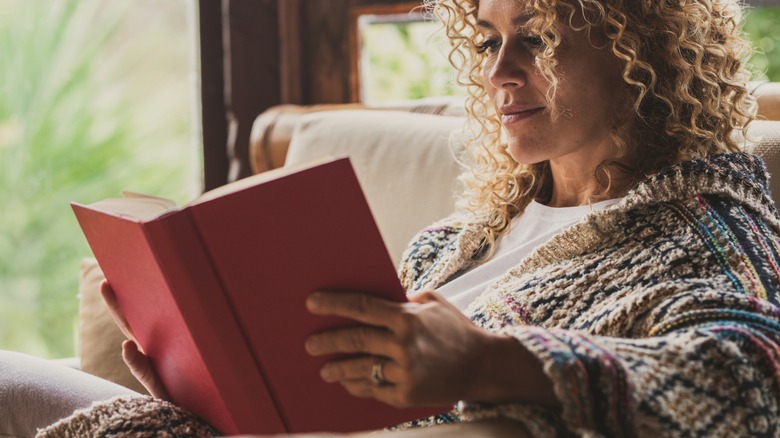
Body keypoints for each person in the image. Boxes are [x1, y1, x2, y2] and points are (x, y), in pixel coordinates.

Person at [5, 0, 779, 436]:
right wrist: (203, 379)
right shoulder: (455, 243)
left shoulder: (709, 230)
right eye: (487, 41)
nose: (500, 72)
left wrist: (488, 363)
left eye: (535, 39)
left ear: (637, 42)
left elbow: (749, 384)